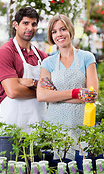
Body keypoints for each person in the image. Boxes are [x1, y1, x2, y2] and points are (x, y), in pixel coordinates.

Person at [37, 14, 99, 159]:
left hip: (82, 121)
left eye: (62, 29)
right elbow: (42, 95)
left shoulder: (87, 57)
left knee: (82, 163)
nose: (59, 34)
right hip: (56, 123)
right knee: (59, 164)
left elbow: (92, 95)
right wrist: (77, 93)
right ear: (51, 36)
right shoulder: (48, 63)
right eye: (54, 31)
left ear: (70, 30)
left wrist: (56, 97)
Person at [0, 7, 48, 133]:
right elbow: (12, 91)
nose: (30, 28)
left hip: (38, 121)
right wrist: (43, 92)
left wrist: (32, 83)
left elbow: (53, 86)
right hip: (13, 121)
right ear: (16, 25)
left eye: (34, 24)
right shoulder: (5, 52)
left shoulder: (42, 56)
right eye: (25, 23)